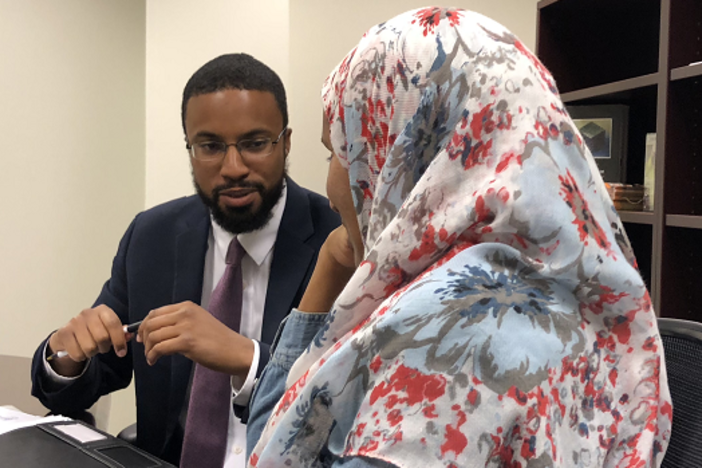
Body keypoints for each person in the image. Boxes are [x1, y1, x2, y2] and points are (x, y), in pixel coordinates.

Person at [246, 8, 672, 467]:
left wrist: (328, 273)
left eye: (338, 151)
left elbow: (273, 446)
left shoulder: (444, 347)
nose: (332, 190)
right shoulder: (583, 292)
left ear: (405, 152)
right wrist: (337, 257)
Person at [30, 53, 340, 467]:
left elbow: (348, 399)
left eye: (254, 144)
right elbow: (89, 377)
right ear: (189, 149)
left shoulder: (338, 243)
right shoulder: (152, 236)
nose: (233, 168)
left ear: (286, 142)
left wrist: (248, 360)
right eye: (210, 146)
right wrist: (65, 357)